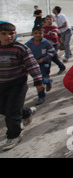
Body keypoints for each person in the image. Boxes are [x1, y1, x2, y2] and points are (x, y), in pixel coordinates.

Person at [0, 22, 43, 151]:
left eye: (11, 33)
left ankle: (14, 135)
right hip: (1, 84)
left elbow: (32, 64)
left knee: (12, 112)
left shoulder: (20, 48)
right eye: (4, 34)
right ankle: (26, 112)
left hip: (17, 84)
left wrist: (38, 81)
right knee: (4, 108)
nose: (8, 36)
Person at [25, 26, 56, 105]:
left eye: (40, 33)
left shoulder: (46, 43)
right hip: (33, 65)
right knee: (38, 79)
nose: (38, 35)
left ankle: (41, 96)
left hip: (44, 64)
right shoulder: (28, 44)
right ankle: (48, 81)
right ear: (32, 34)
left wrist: (44, 59)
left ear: (43, 34)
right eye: (36, 33)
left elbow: (52, 52)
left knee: (39, 80)